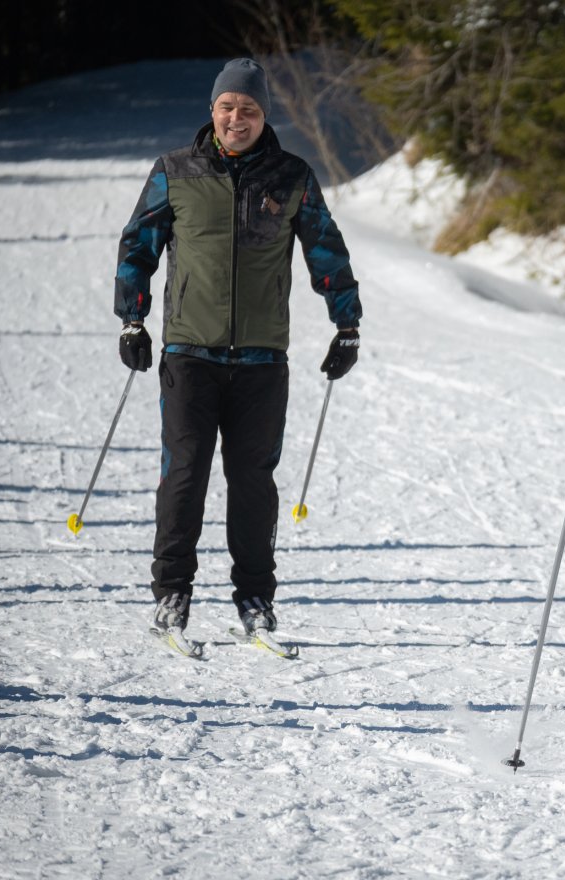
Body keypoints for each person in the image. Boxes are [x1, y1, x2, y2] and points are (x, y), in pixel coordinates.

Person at [114, 58, 362, 648]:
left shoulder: (291, 176)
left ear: (263, 115)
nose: (236, 118)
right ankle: (172, 593)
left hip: (261, 359)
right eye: (227, 106)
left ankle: (255, 599)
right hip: (189, 354)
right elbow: (139, 244)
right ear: (213, 110)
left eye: (248, 108)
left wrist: (346, 324)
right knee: (184, 474)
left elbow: (325, 249)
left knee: (253, 482)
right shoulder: (174, 171)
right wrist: (132, 319)